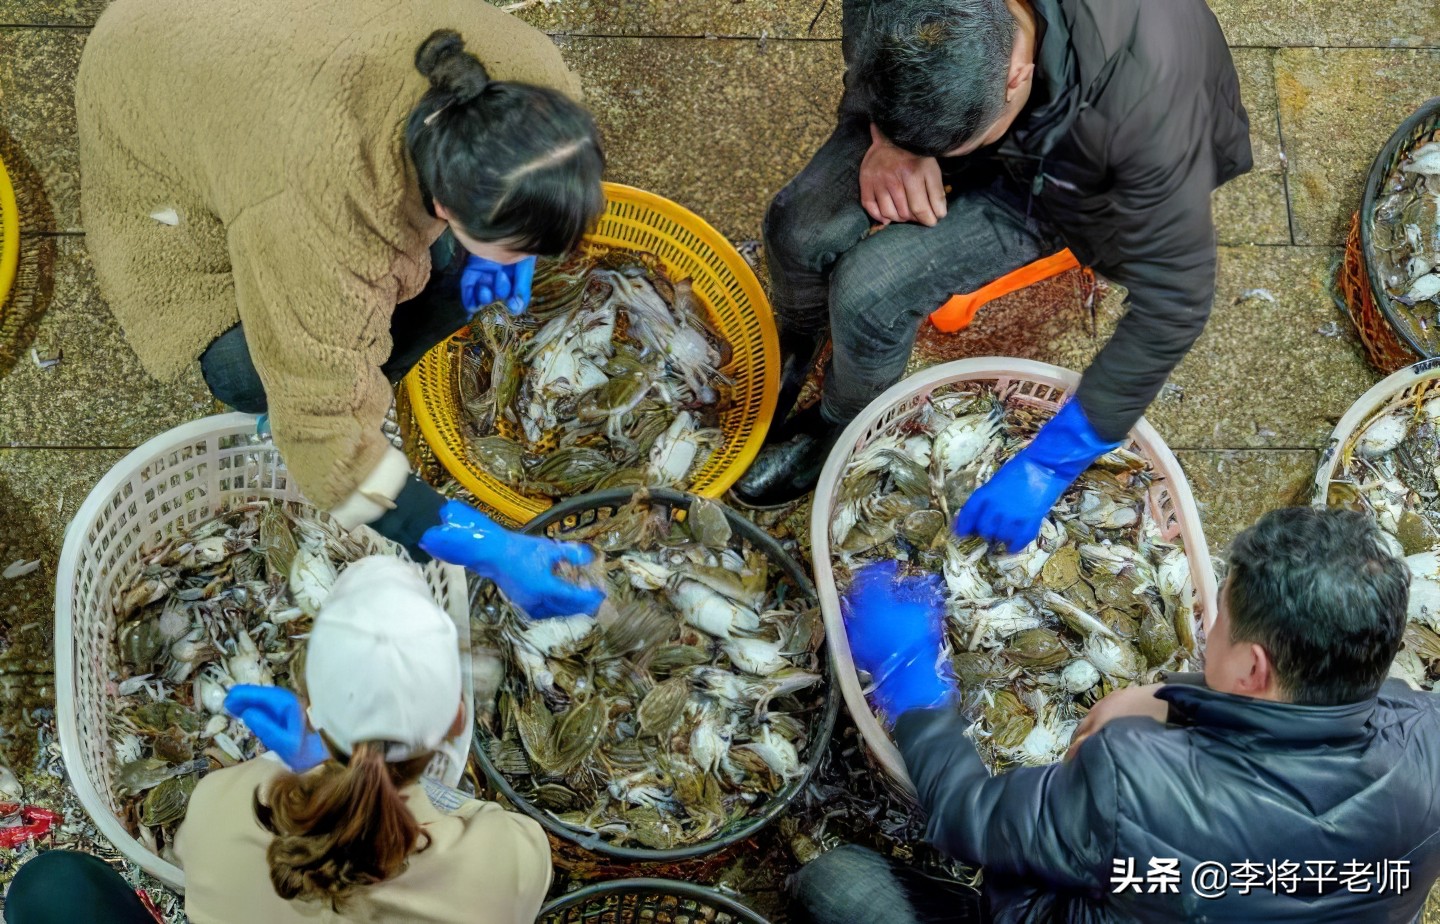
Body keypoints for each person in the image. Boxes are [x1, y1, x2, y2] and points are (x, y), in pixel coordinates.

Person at [75, 0, 607, 616]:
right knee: (244, 373)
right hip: (145, 72)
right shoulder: (319, 212)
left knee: (441, 273)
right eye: (515, 245)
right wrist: (485, 547)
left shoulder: (533, 76)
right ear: (443, 208)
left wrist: (505, 248)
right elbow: (323, 441)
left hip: (258, 43)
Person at [734, 0, 1253, 545]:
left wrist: (1052, 462)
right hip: (944, 110)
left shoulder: (1152, 129)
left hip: (1073, 173)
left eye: (957, 145)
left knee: (872, 291)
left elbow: (1177, 300)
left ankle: (842, 419)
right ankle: (798, 331)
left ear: (1016, 75)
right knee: (796, 228)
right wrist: (889, 140)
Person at [795, 506, 1440, 922]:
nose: (1210, 626)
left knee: (831, 885)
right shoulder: (1430, 740)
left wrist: (914, 684)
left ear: (1251, 668)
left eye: (1221, 617)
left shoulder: (1133, 782)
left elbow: (970, 820)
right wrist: (1178, 702)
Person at [7, 556, 553, 923]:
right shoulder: (506, 859)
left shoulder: (226, 805)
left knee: (48, 890)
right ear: (458, 720)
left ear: (308, 700)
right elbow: (471, 827)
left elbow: (191, 854)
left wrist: (310, 760)